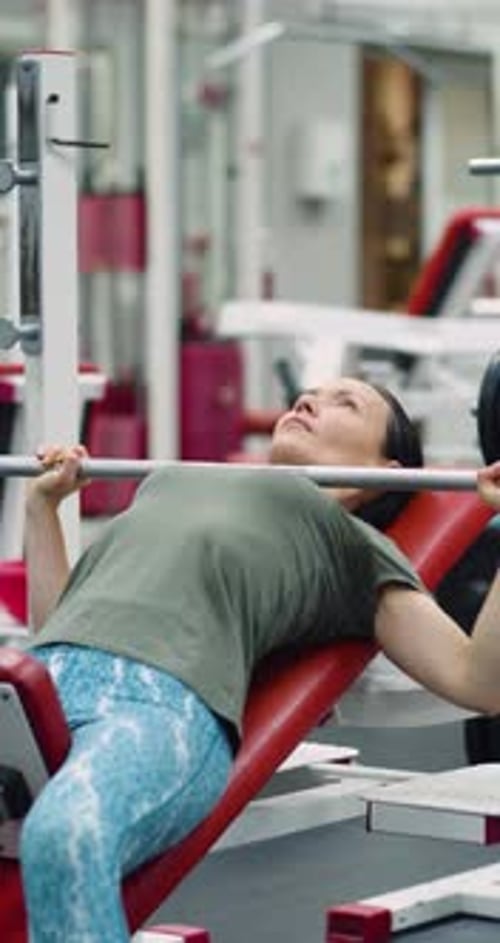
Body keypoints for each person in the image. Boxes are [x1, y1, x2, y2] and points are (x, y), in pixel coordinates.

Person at [19, 376, 500, 943]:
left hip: (157, 706)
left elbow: (479, 681)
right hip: (37, 687)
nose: (310, 401)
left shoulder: (350, 544)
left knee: (66, 834)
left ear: (385, 473)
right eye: (313, 394)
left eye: (346, 404)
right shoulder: (175, 482)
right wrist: (41, 507)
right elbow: (57, 625)